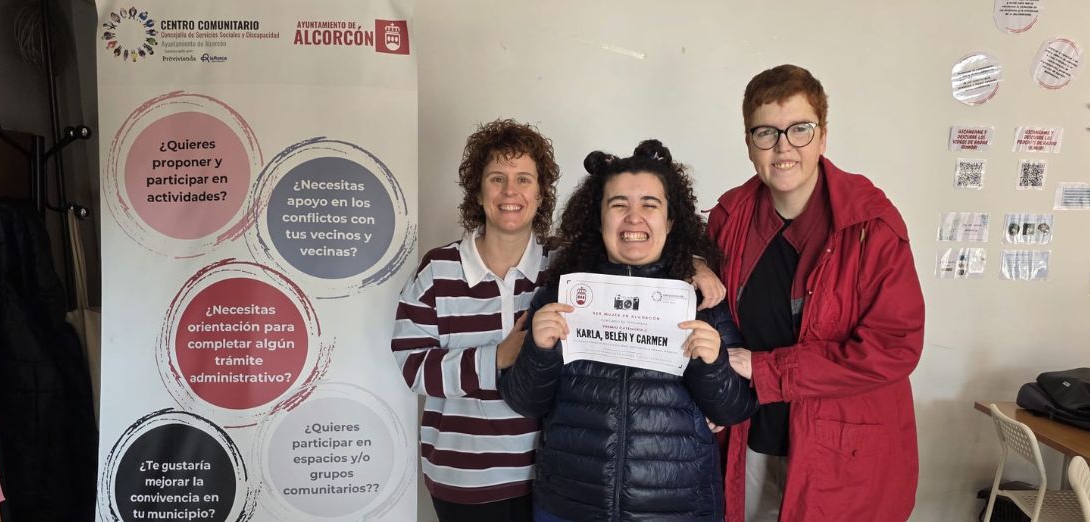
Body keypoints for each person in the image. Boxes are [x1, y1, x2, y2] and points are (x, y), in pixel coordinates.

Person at [392, 122, 725, 522]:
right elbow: (412, 368)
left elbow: (634, 249)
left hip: (541, 477)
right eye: (497, 178)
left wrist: (695, 264)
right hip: (463, 478)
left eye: (524, 179)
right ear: (478, 192)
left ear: (541, 192)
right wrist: (497, 357)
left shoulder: (564, 268)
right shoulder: (438, 269)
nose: (510, 191)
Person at [708, 65, 925, 521]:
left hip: (841, 456)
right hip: (750, 439)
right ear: (749, 143)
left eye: (799, 129)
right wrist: (692, 262)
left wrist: (767, 369)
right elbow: (708, 316)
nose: (783, 146)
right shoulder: (730, 216)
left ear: (823, 137)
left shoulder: (872, 226)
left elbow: (893, 348)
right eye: (766, 132)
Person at [499, 140, 757, 521]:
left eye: (649, 205)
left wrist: (714, 362)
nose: (634, 217)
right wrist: (539, 350)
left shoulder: (703, 298)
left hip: (677, 510)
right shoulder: (562, 293)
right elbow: (524, 402)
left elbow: (734, 409)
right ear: (599, 218)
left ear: (670, 221)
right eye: (618, 204)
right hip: (569, 505)